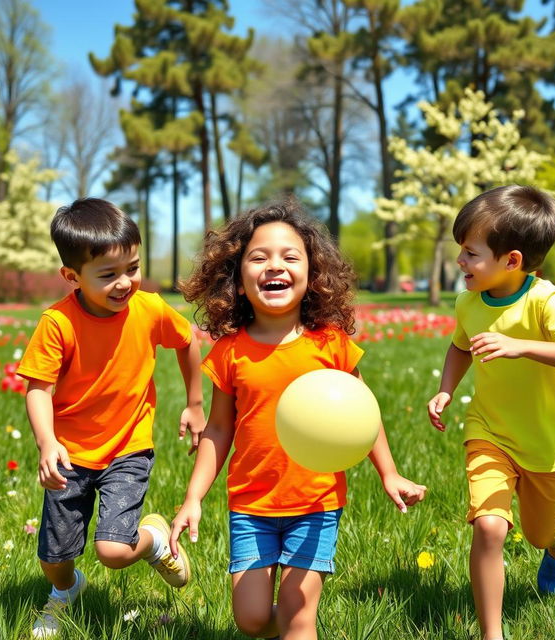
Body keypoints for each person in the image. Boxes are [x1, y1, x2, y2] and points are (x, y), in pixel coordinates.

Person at [170, 200, 426, 640]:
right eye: (259, 257)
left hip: (315, 504)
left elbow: (362, 412)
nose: (275, 266)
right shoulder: (230, 351)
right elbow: (217, 429)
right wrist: (193, 498)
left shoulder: (330, 344)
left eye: (290, 257)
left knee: (299, 616)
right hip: (251, 504)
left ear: (313, 274)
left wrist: (389, 472)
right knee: (251, 619)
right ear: (236, 276)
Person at [17, 198, 205, 638]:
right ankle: (66, 592)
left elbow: (188, 342)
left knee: (114, 550)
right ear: (72, 276)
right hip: (70, 453)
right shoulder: (57, 323)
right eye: (109, 275)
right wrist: (47, 442)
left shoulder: (150, 308)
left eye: (133, 268)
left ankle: (154, 541)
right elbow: (38, 389)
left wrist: (195, 403)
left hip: (128, 447)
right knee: (54, 559)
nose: (125, 283)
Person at [427, 185, 555, 640]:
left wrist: (520, 345)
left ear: (512, 261)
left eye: (470, 253)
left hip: (546, 441)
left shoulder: (546, 301)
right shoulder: (469, 301)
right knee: (488, 527)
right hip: (489, 430)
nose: (460, 263)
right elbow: (460, 346)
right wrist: (446, 390)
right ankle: (493, 634)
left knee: (539, 533)